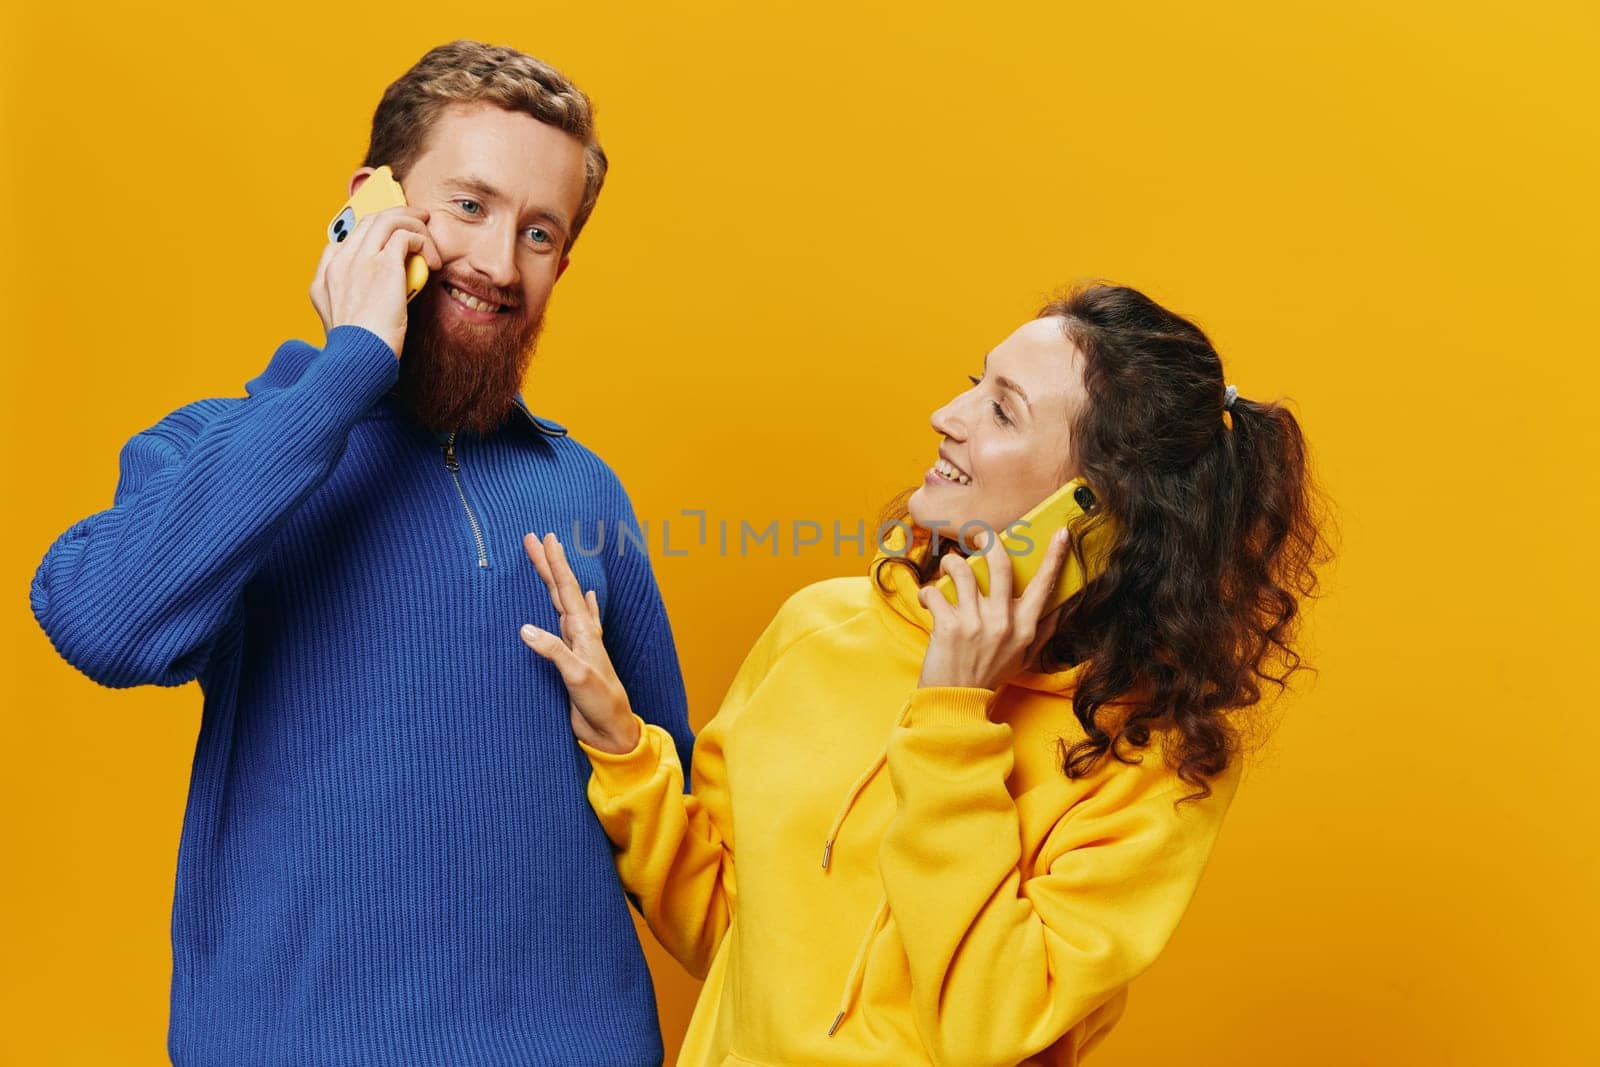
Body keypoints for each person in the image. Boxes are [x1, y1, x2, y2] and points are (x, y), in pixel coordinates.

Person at [29, 40, 693, 1066]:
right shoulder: (225, 448)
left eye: (540, 231)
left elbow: (679, 816)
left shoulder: (582, 489)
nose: (498, 262)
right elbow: (101, 620)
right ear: (371, 201)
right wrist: (347, 370)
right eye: (467, 206)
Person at [519, 282, 1330, 1066]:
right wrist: (624, 748)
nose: (947, 418)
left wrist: (952, 712)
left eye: (1002, 410)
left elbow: (986, 1027)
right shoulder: (821, 628)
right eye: (975, 385)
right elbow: (731, 926)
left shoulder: (1151, 760)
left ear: (1097, 512)